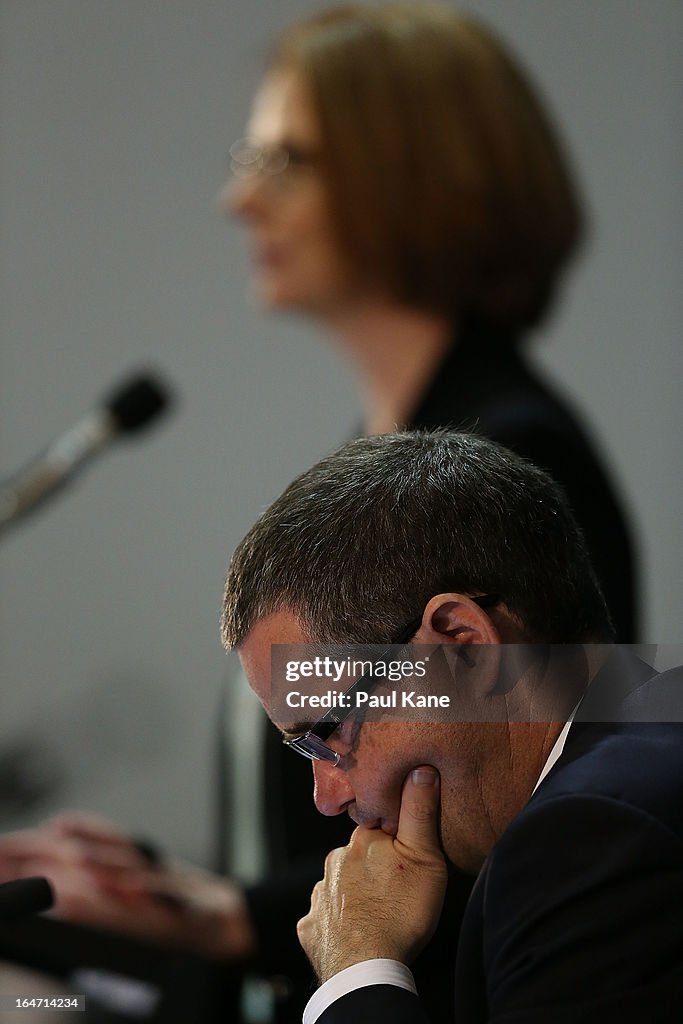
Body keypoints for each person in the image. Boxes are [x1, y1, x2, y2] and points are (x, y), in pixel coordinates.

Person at [0, 4, 639, 1020]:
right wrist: (195, 900)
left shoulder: (504, 456)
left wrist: (232, 920)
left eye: (282, 160)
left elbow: (506, 812)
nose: (235, 199)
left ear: (419, 173)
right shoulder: (375, 466)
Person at [223, 430, 683, 1024]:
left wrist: (358, 969)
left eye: (329, 731)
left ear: (464, 647)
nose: (327, 797)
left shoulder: (588, 838)